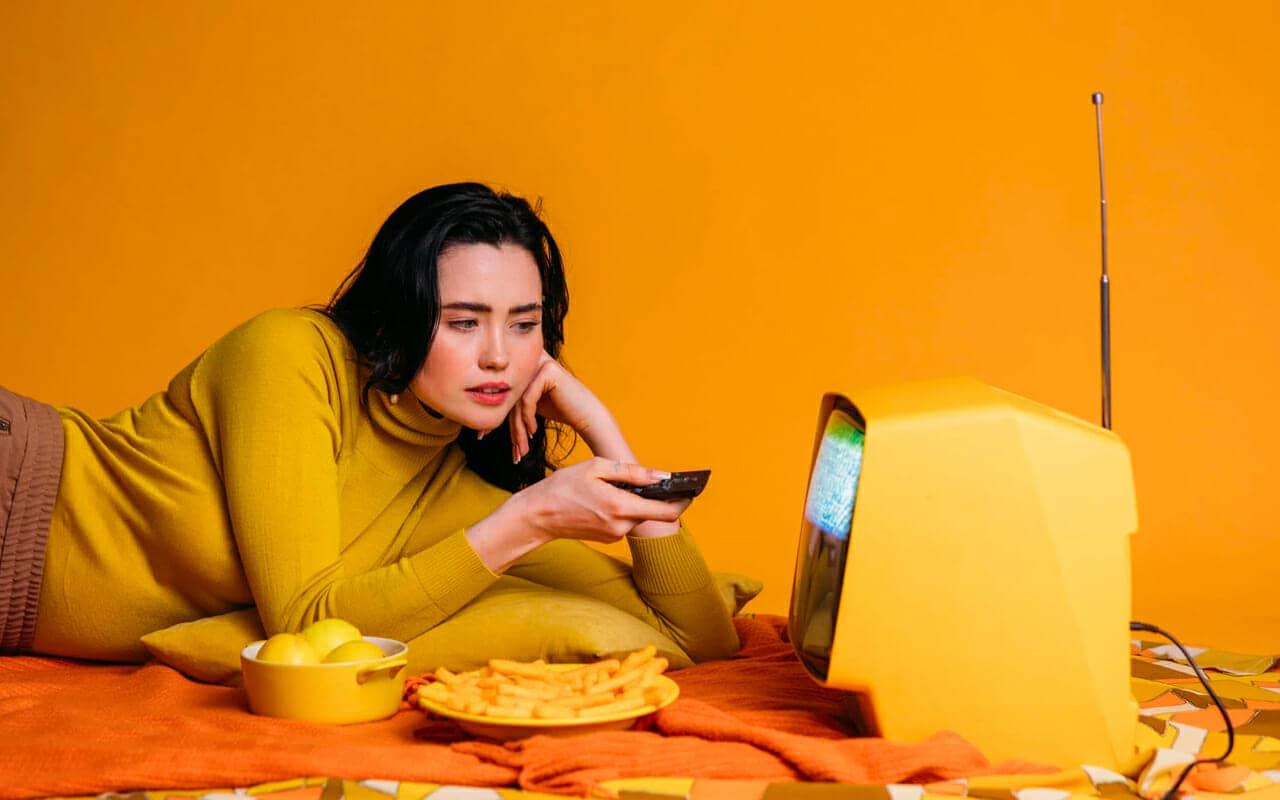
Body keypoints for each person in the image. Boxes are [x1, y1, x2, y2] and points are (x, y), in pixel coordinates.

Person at [0, 182, 740, 666]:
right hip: (20, 490)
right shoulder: (291, 356)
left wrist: (604, 430)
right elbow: (305, 619)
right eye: (462, 322)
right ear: (401, 314)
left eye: (524, 325)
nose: (498, 357)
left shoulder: (462, 499)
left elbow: (699, 642)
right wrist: (533, 519)